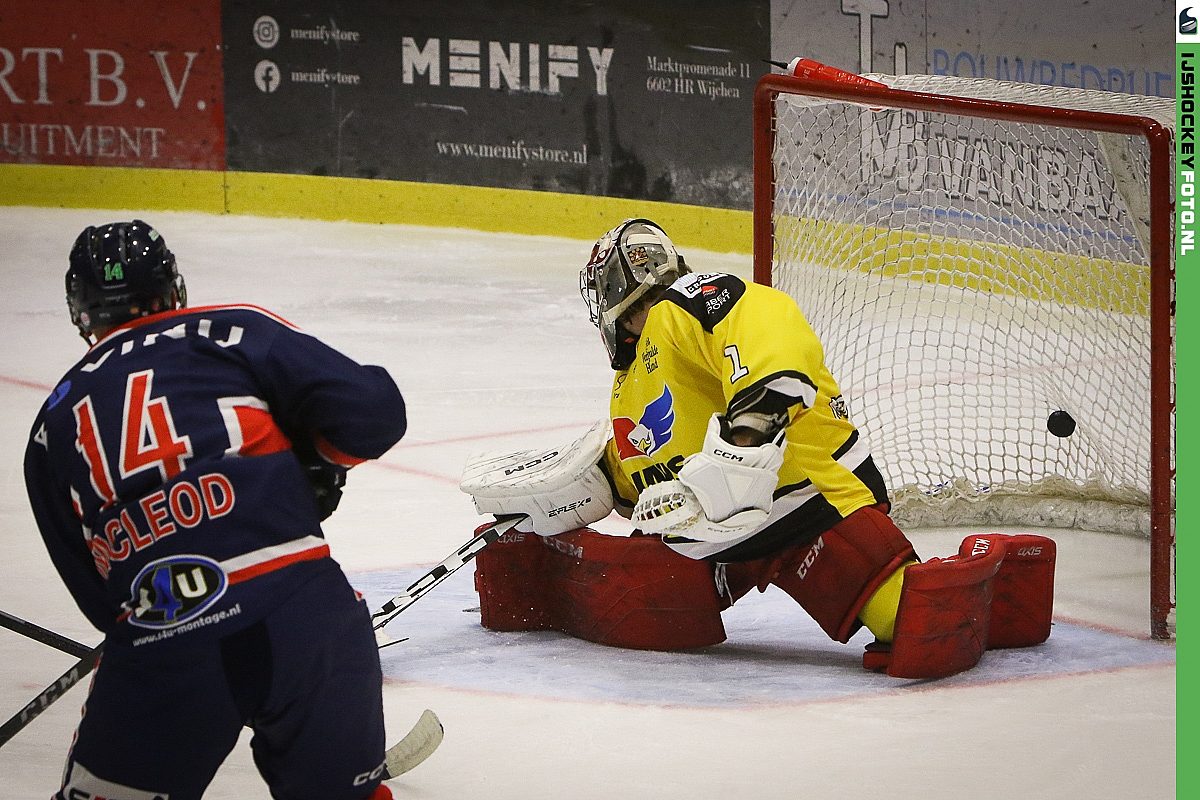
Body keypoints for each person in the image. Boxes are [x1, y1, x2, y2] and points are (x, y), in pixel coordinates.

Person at [462, 217, 1056, 678]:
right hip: (710, 537)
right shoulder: (630, 382)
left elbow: (766, 327)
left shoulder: (689, 302)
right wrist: (566, 496)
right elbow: (641, 460)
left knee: (918, 625)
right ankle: (535, 579)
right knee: (628, 605)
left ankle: (998, 576)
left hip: (804, 507)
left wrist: (745, 442)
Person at [24, 220, 407, 799]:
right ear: (172, 285)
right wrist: (312, 462)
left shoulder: (50, 429)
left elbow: (98, 598)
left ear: (80, 309)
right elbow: (374, 413)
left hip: (166, 638)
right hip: (307, 618)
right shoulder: (229, 330)